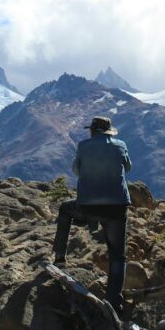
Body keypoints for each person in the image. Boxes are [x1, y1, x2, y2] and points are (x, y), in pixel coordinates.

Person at [52, 115, 132, 313]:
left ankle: (60, 256)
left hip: (88, 207)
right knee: (118, 256)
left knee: (65, 209)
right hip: (116, 207)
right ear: (109, 131)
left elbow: (77, 170)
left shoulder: (83, 145)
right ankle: (114, 302)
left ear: (92, 131)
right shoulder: (120, 145)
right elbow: (128, 167)